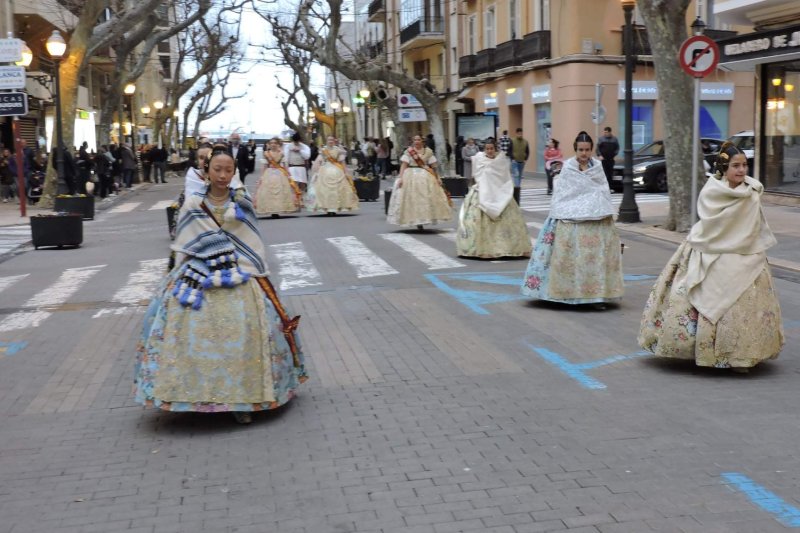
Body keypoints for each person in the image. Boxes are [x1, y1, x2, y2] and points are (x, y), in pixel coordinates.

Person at [134, 145, 308, 424]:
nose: (223, 175)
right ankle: (191, 394)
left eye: (228, 170)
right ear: (207, 170)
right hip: (198, 273)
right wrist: (180, 272)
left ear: (234, 171)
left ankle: (246, 399)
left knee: (248, 336)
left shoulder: (241, 202)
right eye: (217, 169)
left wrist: (254, 270)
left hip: (239, 273)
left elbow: (251, 240)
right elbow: (186, 242)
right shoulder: (192, 204)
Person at [638, 142, 783, 370]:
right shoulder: (711, 192)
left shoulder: (752, 193)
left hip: (745, 254)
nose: (742, 170)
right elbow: (710, 224)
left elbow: (755, 226)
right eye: (736, 166)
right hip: (709, 249)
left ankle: (739, 356)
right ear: (724, 168)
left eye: (744, 165)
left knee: (742, 307)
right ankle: (702, 351)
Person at [520, 131, 623, 308]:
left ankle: (595, 296)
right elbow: (563, 194)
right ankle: (564, 294)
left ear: (591, 150)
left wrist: (603, 210)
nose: (584, 154)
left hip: (596, 221)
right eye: (581, 150)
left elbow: (602, 191)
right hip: (569, 221)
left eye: (587, 150)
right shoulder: (568, 168)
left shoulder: (597, 167)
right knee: (570, 261)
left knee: (593, 261)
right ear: (575, 150)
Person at [456, 140, 532, 259]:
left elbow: (505, 178)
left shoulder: (500, 161)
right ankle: (479, 248)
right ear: (484, 149)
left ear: (495, 149)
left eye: (492, 148)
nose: (490, 151)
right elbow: (476, 175)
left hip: (499, 193)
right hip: (481, 193)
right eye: (487, 149)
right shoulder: (479, 159)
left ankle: (506, 248)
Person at [387, 135, 452, 230]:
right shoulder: (409, 152)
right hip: (410, 175)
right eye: (415, 140)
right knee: (412, 198)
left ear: (422, 141)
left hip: (425, 176)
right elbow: (404, 165)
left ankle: (424, 218)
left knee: (426, 197)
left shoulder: (428, 152)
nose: (416, 141)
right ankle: (414, 220)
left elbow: (433, 166)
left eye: (418, 140)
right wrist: (401, 178)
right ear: (412, 141)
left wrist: (437, 178)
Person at [306, 136, 359, 215]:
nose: (330, 141)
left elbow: (342, 162)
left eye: (332, 140)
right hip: (324, 170)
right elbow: (319, 160)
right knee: (322, 189)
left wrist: (346, 172)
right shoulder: (323, 150)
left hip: (337, 170)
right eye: (329, 140)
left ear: (334, 141)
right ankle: (326, 207)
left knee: (338, 188)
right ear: (326, 141)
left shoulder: (338, 150)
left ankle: (336, 206)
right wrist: (315, 171)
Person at [254, 138, 302, 218]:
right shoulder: (266, 153)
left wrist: (288, 175)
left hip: (280, 173)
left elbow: (284, 165)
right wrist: (262, 177)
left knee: (281, 190)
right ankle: (271, 209)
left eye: (275, 143)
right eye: (271, 143)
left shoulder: (281, 153)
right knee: (269, 191)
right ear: (269, 144)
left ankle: (278, 209)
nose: (273, 144)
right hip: (269, 173)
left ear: (278, 144)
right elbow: (265, 165)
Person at [507, 128, 529, 205]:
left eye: (521, 133)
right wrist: (512, 158)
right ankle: (516, 189)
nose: (520, 134)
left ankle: (517, 188)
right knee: (516, 175)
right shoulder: (512, 141)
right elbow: (509, 151)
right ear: (516, 133)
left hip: (521, 161)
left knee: (519, 176)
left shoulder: (525, 142)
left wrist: (525, 159)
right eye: (519, 133)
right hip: (514, 161)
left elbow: (527, 151)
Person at [596, 126, 620, 190]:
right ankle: (604, 187)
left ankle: (610, 187)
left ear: (610, 132)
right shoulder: (601, 139)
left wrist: (614, 154)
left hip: (611, 159)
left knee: (610, 174)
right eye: (604, 132)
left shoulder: (614, 139)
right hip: (603, 159)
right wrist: (599, 155)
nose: (605, 133)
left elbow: (617, 148)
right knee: (604, 173)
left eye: (606, 132)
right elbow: (597, 148)